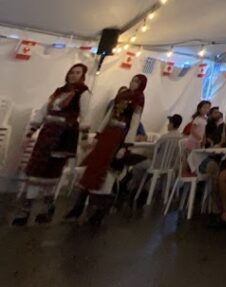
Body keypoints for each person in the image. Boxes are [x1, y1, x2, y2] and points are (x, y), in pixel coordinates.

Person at [12, 63, 91, 226]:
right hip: (46, 134)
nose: (73, 75)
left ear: (83, 76)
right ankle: (27, 209)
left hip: (62, 136)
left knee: (51, 172)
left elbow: (85, 116)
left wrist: (83, 137)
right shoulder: (59, 92)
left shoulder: (83, 93)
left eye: (77, 73)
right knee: (35, 169)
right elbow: (43, 111)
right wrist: (31, 131)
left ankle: (46, 208)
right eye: (71, 72)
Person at [65, 74, 147, 224]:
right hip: (107, 135)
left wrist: (126, 145)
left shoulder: (138, 100)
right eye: (133, 80)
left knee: (108, 173)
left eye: (137, 81)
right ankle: (79, 207)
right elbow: (109, 116)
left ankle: (99, 211)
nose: (133, 83)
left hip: (119, 138)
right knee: (93, 167)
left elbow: (134, 123)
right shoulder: (122, 95)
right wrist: (98, 134)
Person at [183, 100, 211, 169]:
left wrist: (204, 139)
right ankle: (186, 170)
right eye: (204, 107)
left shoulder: (205, 119)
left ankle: (194, 170)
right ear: (199, 109)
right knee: (190, 158)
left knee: (196, 157)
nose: (206, 109)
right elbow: (192, 130)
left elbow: (203, 131)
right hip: (193, 141)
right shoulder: (197, 119)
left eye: (208, 108)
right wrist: (199, 138)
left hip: (198, 141)